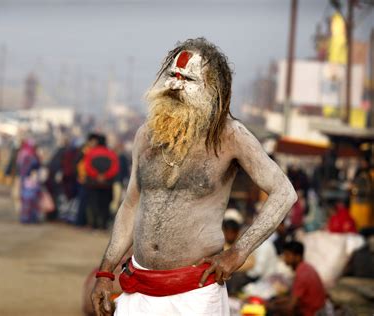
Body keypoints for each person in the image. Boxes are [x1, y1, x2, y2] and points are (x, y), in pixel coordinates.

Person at [91, 38, 297, 316]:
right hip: (139, 287)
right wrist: (105, 272)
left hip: (196, 293)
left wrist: (238, 252)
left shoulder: (229, 135)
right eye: (172, 75)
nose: (176, 85)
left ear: (213, 89)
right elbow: (130, 206)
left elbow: (284, 193)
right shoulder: (146, 135)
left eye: (187, 78)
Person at [268, 241, 326, 316]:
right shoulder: (306, 267)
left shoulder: (301, 275)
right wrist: (276, 302)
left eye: (287, 255)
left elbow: (290, 307)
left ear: (298, 257)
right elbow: (294, 297)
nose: (285, 258)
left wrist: (272, 307)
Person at [84, 134, 119, 230]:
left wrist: (96, 175)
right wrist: (105, 176)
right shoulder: (111, 153)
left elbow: (87, 167)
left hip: (93, 183)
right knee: (105, 205)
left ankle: (93, 225)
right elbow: (115, 168)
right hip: (107, 184)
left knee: (93, 203)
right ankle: (103, 225)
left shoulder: (90, 152)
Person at [16, 138, 41, 224]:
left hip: (25, 181)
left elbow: (19, 167)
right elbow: (34, 168)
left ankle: (26, 217)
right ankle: (31, 218)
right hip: (31, 181)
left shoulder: (22, 155)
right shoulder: (31, 156)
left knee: (27, 200)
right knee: (31, 200)